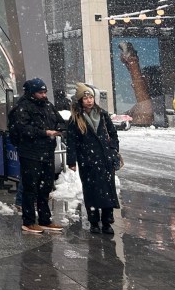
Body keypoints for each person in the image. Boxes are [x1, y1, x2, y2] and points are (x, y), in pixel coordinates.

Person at [8, 78, 62, 234]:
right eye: (40, 92)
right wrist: (44, 133)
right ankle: (29, 221)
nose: (44, 95)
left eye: (45, 92)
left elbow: (58, 120)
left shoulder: (48, 106)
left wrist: (59, 129)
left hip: (46, 151)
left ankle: (45, 219)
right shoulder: (22, 107)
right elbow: (23, 129)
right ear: (32, 93)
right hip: (30, 152)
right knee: (30, 187)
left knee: (45, 187)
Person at [66, 83, 120, 234]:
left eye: (90, 97)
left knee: (108, 192)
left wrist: (113, 149)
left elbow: (113, 134)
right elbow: (71, 141)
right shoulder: (75, 119)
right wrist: (72, 161)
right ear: (80, 100)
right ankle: (94, 222)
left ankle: (107, 222)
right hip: (88, 161)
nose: (89, 100)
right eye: (85, 98)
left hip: (105, 159)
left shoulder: (102, 115)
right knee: (91, 191)